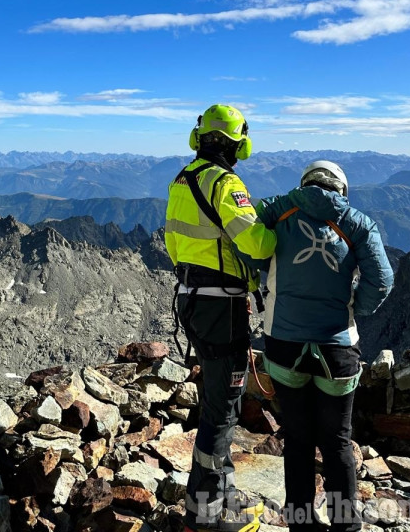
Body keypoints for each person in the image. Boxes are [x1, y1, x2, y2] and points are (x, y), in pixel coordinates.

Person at [255, 160, 394, 532]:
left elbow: (247, 245)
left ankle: (300, 523)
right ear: (341, 189)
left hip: (283, 345)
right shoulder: (358, 223)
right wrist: (352, 308)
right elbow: (381, 280)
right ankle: (345, 525)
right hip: (338, 349)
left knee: (297, 438)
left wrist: (264, 286)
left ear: (305, 184)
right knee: (336, 442)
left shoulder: (276, 210)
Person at [165, 104, 277, 532]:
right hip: (221, 307)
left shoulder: (182, 179)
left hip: (192, 301)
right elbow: (256, 243)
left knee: (217, 399)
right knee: (223, 408)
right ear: (238, 143)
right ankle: (208, 515)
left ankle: (216, 495)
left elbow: (175, 245)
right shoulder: (225, 182)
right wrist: (274, 230)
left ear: (200, 138)